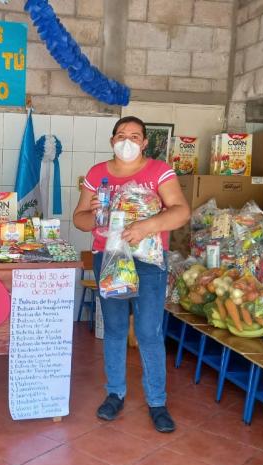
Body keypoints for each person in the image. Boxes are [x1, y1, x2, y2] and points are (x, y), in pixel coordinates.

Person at [73, 116, 190, 433]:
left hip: (149, 260)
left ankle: (157, 402)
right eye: (121, 135)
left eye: (135, 136)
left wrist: (146, 227)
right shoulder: (98, 174)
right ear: (112, 140)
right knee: (114, 328)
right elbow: (79, 220)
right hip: (109, 258)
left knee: (149, 331)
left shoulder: (158, 171)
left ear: (144, 142)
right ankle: (115, 394)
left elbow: (180, 210)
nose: (128, 140)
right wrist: (95, 215)